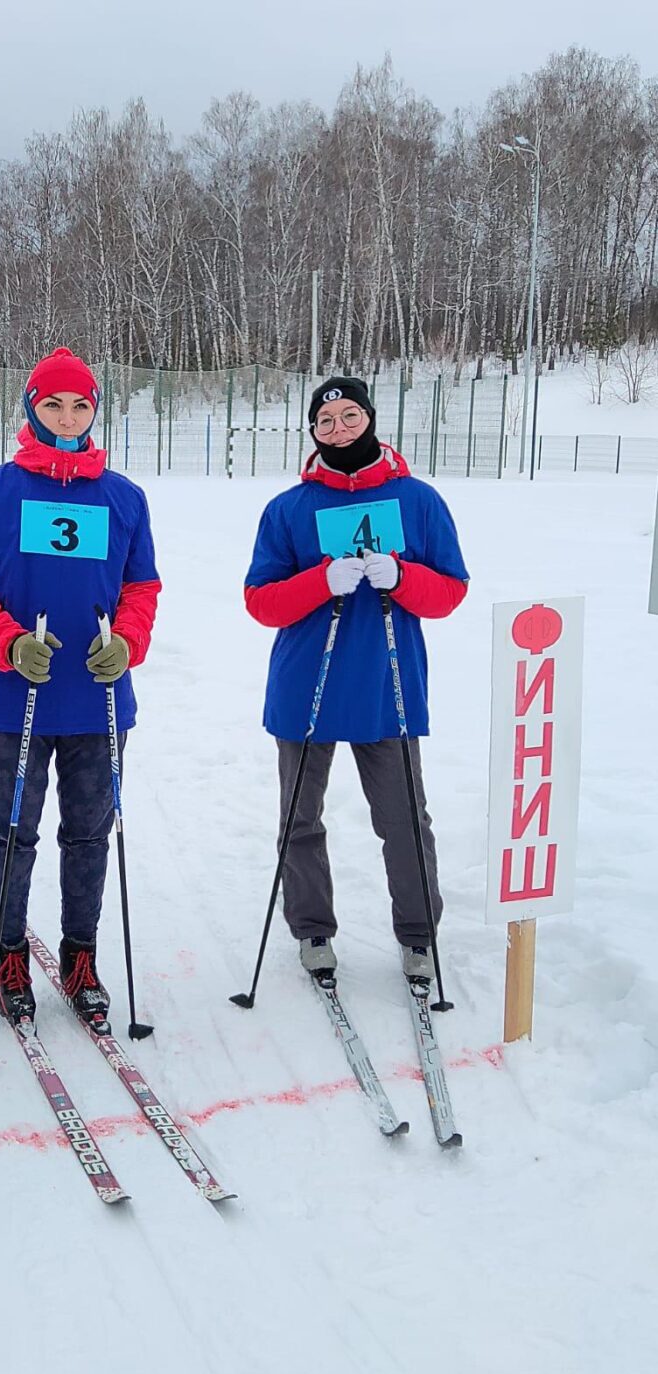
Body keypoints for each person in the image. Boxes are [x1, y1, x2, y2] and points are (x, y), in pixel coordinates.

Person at [0, 347, 161, 1027]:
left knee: (89, 833)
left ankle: (80, 952)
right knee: (13, 830)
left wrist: (127, 642)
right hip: (17, 696)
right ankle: (12, 952)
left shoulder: (124, 497)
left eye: (80, 406)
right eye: (52, 404)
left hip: (96, 698)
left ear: (95, 412)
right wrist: (8, 642)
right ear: (30, 410)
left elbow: (141, 587)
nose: (67, 417)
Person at [244, 376, 468, 984]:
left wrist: (400, 576)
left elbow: (450, 591)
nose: (338, 430)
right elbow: (261, 601)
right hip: (305, 685)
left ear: (369, 419)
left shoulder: (417, 501)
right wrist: (320, 582)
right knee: (301, 817)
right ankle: (312, 928)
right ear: (312, 433)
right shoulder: (289, 508)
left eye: (348, 417)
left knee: (402, 816)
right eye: (325, 423)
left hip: (385, 682)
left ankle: (419, 933)